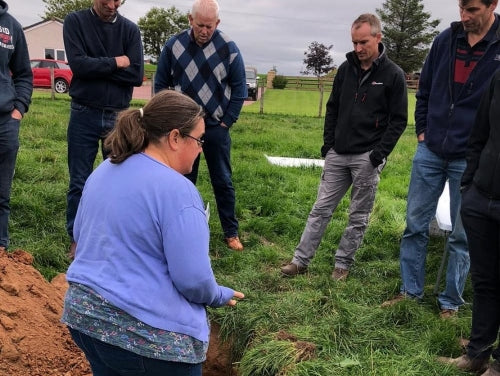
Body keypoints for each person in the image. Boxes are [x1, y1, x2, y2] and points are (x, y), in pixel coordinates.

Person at [61, 90, 244, 376]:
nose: (200, 149)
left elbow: (80, 237)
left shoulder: (106, 168)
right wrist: (217, 294)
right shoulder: (179, 191)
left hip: (84, 320)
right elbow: (193, 280)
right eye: (199, 140)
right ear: (174, 138)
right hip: (149, 342)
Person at [382, 0, 500, 318]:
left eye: (473, 9)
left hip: (471, 158)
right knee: (415, 226)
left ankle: (450, 303)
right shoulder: (445, 40)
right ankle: (410, 292)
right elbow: (425, 89)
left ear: (493, 5)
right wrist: (423, 131)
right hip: (430, 150)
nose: (464, 16)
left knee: (463, 235)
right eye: (462, 7)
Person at [280, 13, 408, 280]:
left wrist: (377, 155)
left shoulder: (393, 75)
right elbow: (333, 108)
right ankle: (300, 261)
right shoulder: (345, 70)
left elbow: (398, 121)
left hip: (367, 157)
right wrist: (328, 145)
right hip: (339, 153)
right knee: (320, 209)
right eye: (354, 43)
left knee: (358, 216)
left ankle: (342, 265)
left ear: (378, 38)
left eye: (363, 42)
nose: (358, 49)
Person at [154, 0, 247, 252]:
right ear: (189, 20)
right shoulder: (174, 46)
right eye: (200, 25)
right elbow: (161, 83)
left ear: (217, 23)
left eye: (210, 26)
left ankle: (231, 232)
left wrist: (228, 121)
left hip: (216, 127)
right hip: (183, 128)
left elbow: (240, 88)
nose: (204, 31)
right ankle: (177, 230)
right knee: (182, 180)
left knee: (223, 180)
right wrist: (168, 118)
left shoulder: (229, 48)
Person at [63, 0, 144, 257]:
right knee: (79, 180)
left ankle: (114, 239)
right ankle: (77, 238)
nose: (111, 5)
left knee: (118, 181)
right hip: (83, 112)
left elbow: (136, 74)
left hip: (117, 116)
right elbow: (78, 66)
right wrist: (116, 62)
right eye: (105, 0)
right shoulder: (75, 22)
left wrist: (96, 65)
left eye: (117, 0)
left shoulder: (130, 30)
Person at [438, 70, 500, 376]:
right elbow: (479, 134)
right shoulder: (499, 78)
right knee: (485, 281)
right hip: (482, 197)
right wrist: (469, 187)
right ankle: (477, 354)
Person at [0, 0, 33, 252]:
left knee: (2, 193)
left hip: (5, 122)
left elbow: (23, 73)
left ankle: (1, 250)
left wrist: (18, 110)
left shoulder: (11, 27)